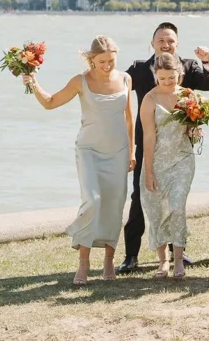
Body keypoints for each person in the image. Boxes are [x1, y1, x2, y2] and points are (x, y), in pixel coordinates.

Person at [21, 36, 133, 285]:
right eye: (101, 61)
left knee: (114, 206)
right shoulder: (80, 81)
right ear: (91, 59)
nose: (106, 66)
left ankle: (109, 261)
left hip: (119, 151)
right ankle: (83, 263)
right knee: (92, 201)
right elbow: (50, 103)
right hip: (89, 150)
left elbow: (129, 119)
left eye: (111, 61)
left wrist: (132, 152)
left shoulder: (126, 78)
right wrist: (33, 82)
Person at [118, 22, 209, 274]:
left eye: (170, 40)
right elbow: (119, 85)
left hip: (180, 149)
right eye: (161, 40)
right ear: (152, 43)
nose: (165, 44)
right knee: (142, 200)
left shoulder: (189, 67)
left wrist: (207, 61)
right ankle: (131, 255)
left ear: (177, 43)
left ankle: (177, 254)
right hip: (148, 144)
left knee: (176, 201)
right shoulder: (140, 68)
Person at [139, 53, 197, 279]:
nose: (167, 83)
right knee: (156, 212)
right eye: (162, 78)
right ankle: (163, 261)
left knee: (176, 206)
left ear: (179, 74)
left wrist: (195, 130)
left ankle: (179, 259)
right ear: (155, 76)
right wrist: (149, 171)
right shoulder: (149, 99)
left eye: (171, 78)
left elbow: (192, 128)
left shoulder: (188, 96)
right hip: (157, 161)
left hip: (183, 159)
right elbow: (149, 137)